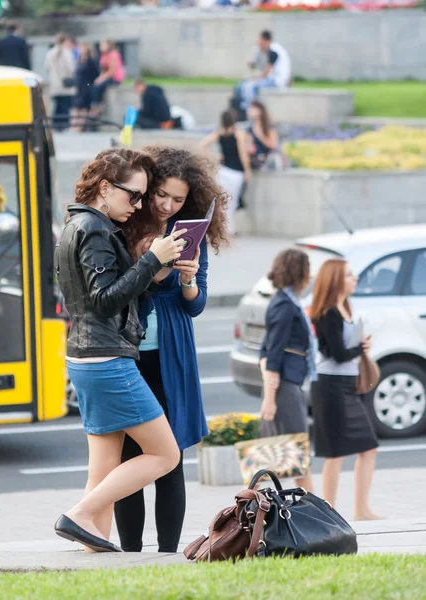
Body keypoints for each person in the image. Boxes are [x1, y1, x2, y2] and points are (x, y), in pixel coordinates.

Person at [54, 148, 188, 552]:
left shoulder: (77, 223)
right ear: (105, 187)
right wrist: (150, 260)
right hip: (107, 360)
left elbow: (112, 296)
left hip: (86, 357)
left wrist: (155, 271)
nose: (141, 205)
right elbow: (105, 299)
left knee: (104, 470)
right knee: (166, 455)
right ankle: (78, 515)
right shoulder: (94, 229)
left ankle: (94, 550)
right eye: (134, 195)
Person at [114, 146, 229, 553]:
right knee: (130, 457)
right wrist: (153, 264)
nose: (165, 204)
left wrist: (188, 278)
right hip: (130, 353)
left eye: (177, 200)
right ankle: (129, 551)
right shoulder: (127, 224)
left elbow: (194, 305)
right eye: (160, 194)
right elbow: (123, 290)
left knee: (171, 457)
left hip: (172, 355)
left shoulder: (188, 232)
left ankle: (166, 551)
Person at [310, 259, 380, 521]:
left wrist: (359, 347)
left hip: (346, 386)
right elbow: (337, 354)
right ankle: (330, 514)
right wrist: (360, 348)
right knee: (335, 453)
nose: (355, 278)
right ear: (336, 280)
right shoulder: (329, 312)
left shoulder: (345, 307)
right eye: (349, 275)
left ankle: (361, 510)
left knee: (368, 447)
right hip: (330, 387)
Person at [259, 249, 315, 492]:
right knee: (297, 451)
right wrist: (269, 399)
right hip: (285, 387)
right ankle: (316, 509)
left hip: (288, 384)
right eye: (307, 270)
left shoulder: (287, 302)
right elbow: (271, 356)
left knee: (290, 452)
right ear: (299, 272)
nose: (310, 275)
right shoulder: (284, 306)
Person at [200, 110, 251, 236]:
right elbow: (243, 154)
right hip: (236, 173)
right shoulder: (238, 134)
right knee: (231, 202)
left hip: (223, 171)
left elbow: (202, 145)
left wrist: (215, 155)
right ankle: (228, 229)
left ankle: (222, 228)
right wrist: (248, 170)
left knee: (221, 200)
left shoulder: (219, 134)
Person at [232, 30, 291, 120]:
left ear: (266, 41)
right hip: (271, 78)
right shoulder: (266, 50)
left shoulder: (274, 51)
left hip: (277, 81)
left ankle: (249, 109)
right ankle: (239, 109)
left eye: (261, 42)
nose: (260, 45)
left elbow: (268, 70)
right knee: (241, 84)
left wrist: (257, 79)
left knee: (251, 86)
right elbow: (256, 65)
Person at [44, 33, 76, 132]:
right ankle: (63, 125)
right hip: (65, 83)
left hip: (55, 83)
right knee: (65, 105)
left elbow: (47, 67)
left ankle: (56, 124)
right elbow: (71, 68)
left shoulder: (50, 53)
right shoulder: (67, 52)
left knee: (57, 105)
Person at [90, 40, 126, 120]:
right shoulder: (104, 55)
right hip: (107, 76)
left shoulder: (113, 54)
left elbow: (112, 71)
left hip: (115, 78)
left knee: (98, 87)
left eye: (102, 45)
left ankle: (96, 107)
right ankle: (96, 105)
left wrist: (101, 79)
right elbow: (103, 69)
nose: (101, 47)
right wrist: (100, 78)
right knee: (94, 85)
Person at [71, 43, 99, 132]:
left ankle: (80, 127)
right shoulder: (80, 60)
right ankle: (74, 126)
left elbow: (95, 74)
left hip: (86, 87)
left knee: (83, 107)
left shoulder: (90, 61)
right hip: (79, 86)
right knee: (75, 107)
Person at [247, 100, 279, 170]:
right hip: (255, 159)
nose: (249, 111)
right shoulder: (250, 129)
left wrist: (260, 136)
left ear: (260, 111)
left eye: (252, 109)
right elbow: (250, 147)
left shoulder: (269, 127)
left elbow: (273, 146)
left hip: (268, 158)